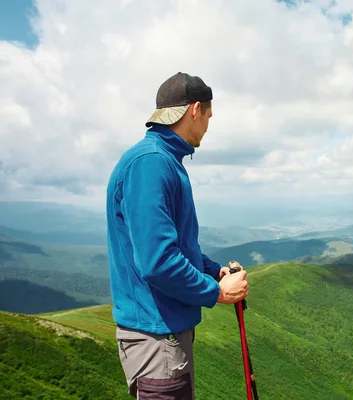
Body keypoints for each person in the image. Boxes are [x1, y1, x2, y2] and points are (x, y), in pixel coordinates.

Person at [105, 72, 249, 399]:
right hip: (157, 337)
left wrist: (214, 270)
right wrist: (216, 292)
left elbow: (177, 246)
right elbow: (158, 262)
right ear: (195, 110)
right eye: (209, 116)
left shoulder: (161, 159)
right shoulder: (152, 163)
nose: (208, 126)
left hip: (161, 335)